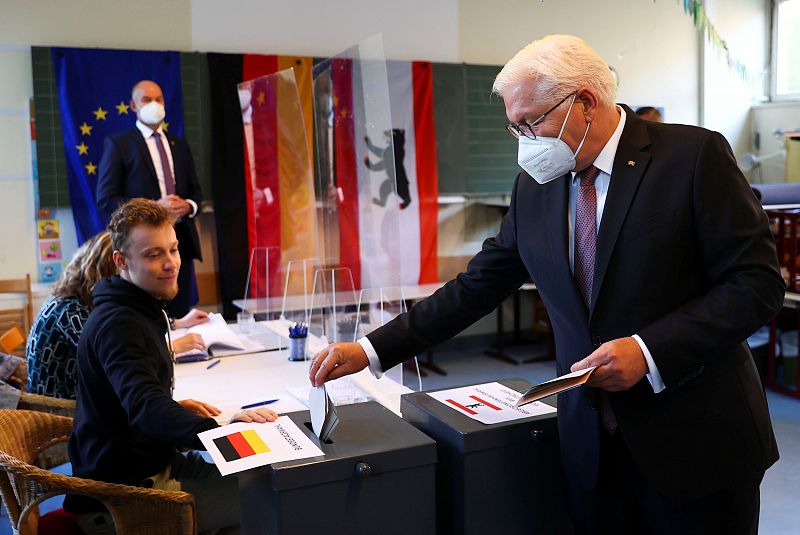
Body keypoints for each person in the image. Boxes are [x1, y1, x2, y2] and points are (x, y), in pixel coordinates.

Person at [309, 34, 783, 533]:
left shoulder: (692, 157)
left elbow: (755, 284)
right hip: (591, 447)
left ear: (585, 102)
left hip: (696, 442)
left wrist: (648, 352)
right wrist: (373, 349)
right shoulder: (537, 183)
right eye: (516, 127)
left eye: (533, 121)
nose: (526, 141)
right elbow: (480, 284)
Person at [66, 199, 276, 534]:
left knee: (265, 479)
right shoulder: (119, 324)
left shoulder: (138, 307)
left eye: (174, 250)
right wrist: (220, 431)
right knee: (274, 501)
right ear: (121, 261)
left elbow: (131, 400)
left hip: (150, 464)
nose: (170, 264)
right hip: (123, 497)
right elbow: (145, 407)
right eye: (153, 255)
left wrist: (176, 409)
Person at [26, 232, 209, 400]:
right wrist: (173, 346)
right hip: (63, 411)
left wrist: (177, 323)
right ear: (114, 269)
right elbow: (115, 355)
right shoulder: (70, 309)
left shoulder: (78, 297)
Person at [96, 80, 203, 318]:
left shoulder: (180, 144)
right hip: (144, 248)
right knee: (149, 316)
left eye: (159, 99)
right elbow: (105, 198)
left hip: (180, 241)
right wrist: (153, 207)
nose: (154, 104)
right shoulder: (120, 144)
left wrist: (189, 206)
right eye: (147, 100)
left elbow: (196, 192)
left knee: (179, 312)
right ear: (133, 105)